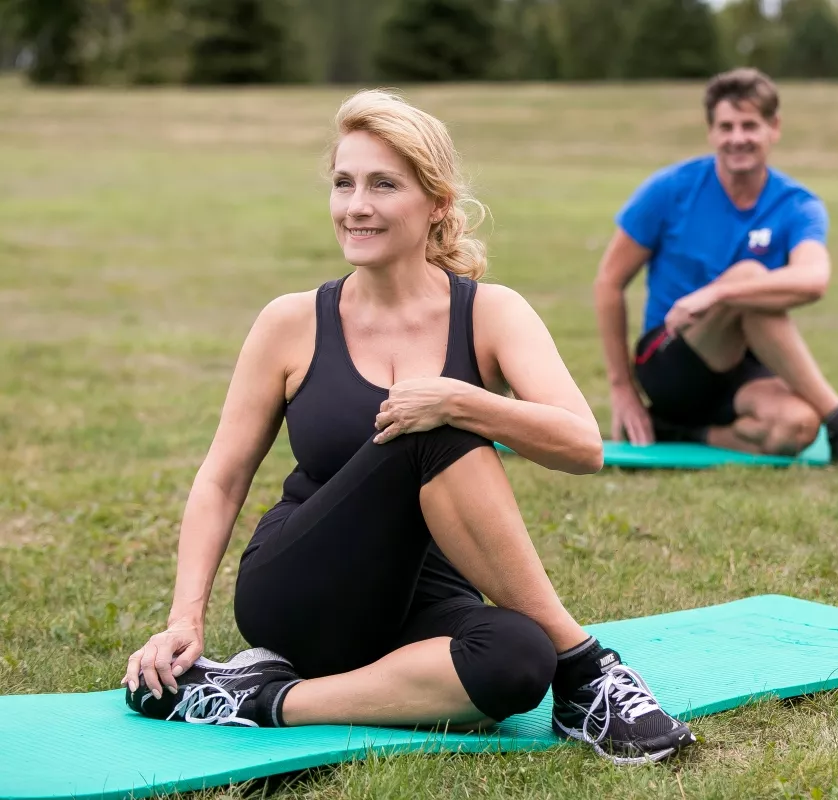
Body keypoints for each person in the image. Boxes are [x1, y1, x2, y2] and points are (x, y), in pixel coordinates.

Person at [121, 89, 695, 765]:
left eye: (383, 185)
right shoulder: (291, 321)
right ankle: (585, 667)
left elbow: (582, 446)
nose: (356, 206)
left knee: (516, 660)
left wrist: (465, 400)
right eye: (344, 184)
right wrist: (184, 617)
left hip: (424, 599)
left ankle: (255, 699)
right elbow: (221, 480)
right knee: (428, 426)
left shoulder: (491, 313)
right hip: (302, 584)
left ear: (437, 203)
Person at [593, 68, 838, 465]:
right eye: (726, 126)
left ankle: (684, 432)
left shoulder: (796, 204)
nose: (737, 138)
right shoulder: (669, 190)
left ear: (774, 128)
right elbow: (608, 282)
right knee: (752, 278)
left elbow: (814, 279)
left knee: (798, 427)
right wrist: (621, 386)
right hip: (671, 358)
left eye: (749, 125)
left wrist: (719, 292)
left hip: (742, 368)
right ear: (711, 133)